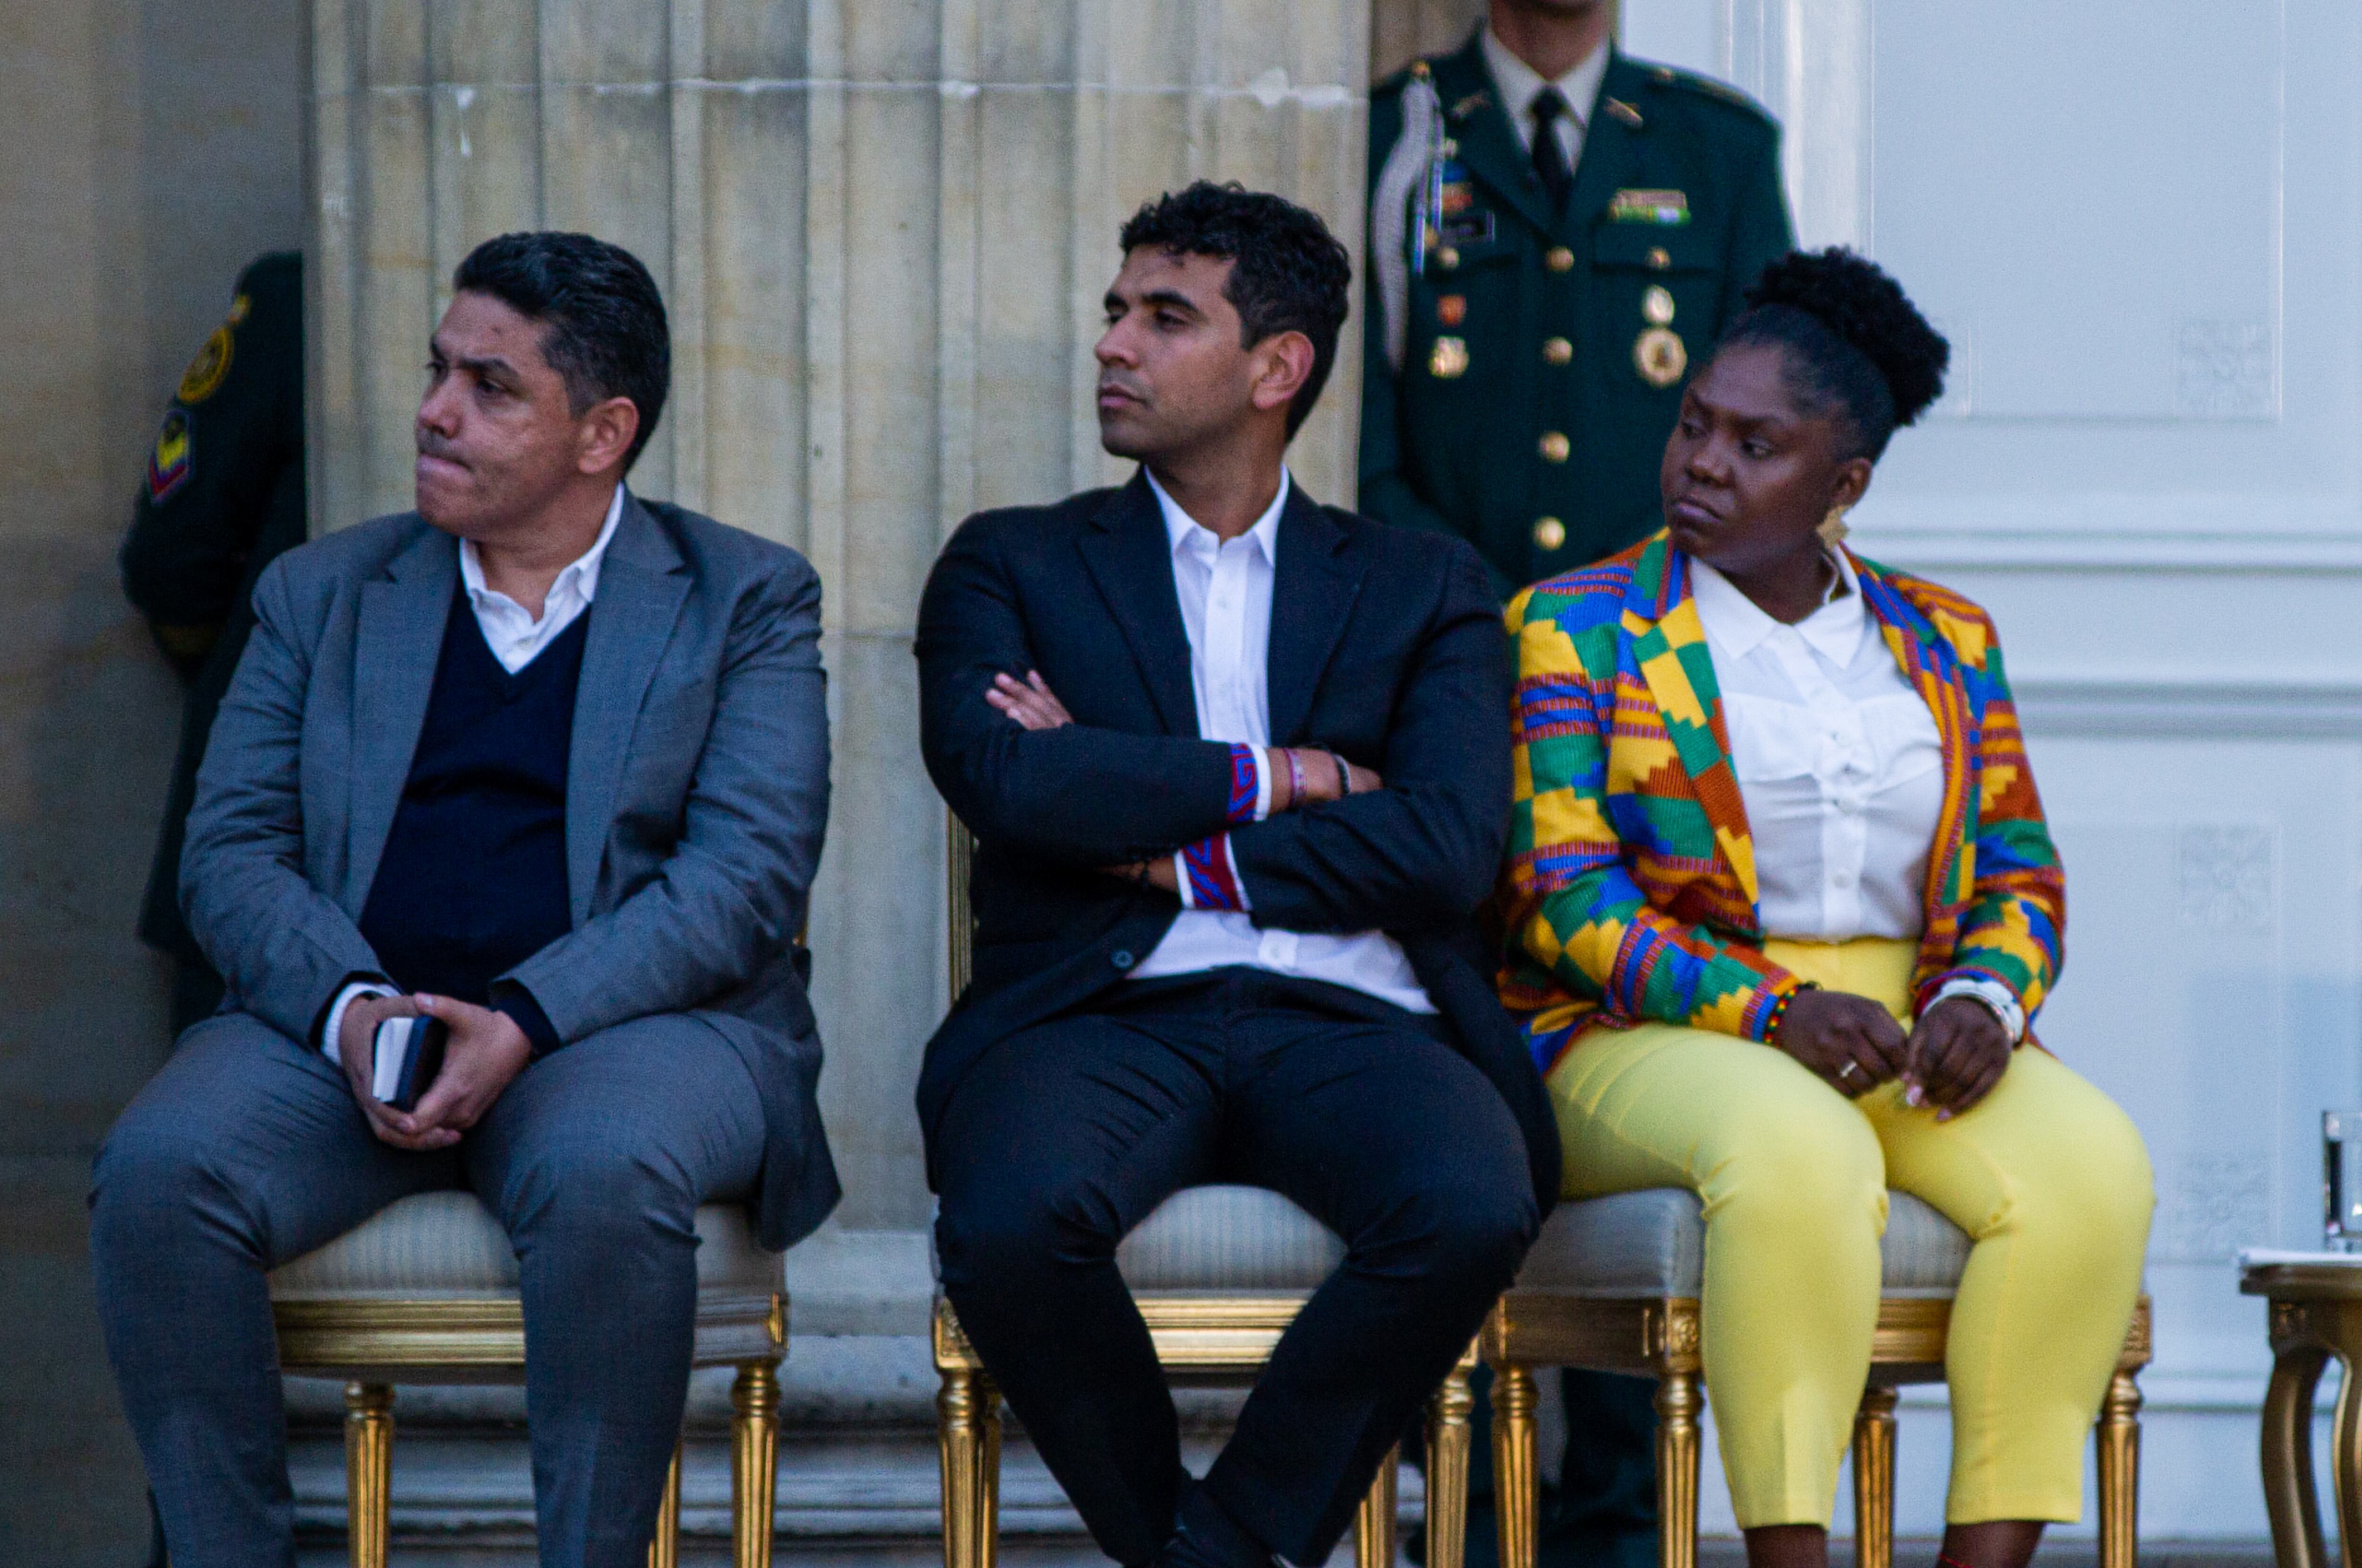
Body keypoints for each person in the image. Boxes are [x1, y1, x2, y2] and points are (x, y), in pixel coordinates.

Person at [88, 231, 840, 1568]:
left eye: (491, 387)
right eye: (440, 369)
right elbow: (233, 850)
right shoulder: (320, 592)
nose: (435, 409)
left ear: (603, 431)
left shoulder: (745, 598)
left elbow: (743, 880)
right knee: (157, 1169)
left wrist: (527, 1017)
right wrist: (353, 1009)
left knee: (606, 1167)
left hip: (634, 1029)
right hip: (348, 1030)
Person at [914, 181, 1558, 1568]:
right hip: (1094, 1009)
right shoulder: (1011, 562)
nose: (1113, 344)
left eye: (1164, 316)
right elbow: (1013, 781)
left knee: (1466, 1198)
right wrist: (1294, 774)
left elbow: (1445, 843)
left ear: (1277, 367)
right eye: (1115, 311)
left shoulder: (1422, 583)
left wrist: (1154, 837)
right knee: (1010, 1220)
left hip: (1353, 1014)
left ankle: (1228, 1544)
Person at [1499, 248, 2154, 1568]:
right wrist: (1771, 1006)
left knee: (2092, 1169)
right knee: (1802, 1153)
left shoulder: (1945, 637)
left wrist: (1984, 996)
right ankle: (1793, 1551)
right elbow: (1559, 896)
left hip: (1899, 1019)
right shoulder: (1578, 627)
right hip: (1639, 1026)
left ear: (1843, 484)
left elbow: (2018, 866)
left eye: (1757, 444)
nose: (1702, 462)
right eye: (1696, 423)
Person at [1361, 0, 1793, 596]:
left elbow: (1765, 422)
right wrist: (1480, 608)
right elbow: (1357, 438)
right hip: (1441, 629)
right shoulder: (1389, 133)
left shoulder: (1720, 148)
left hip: (1656, 627)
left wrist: (1629, 597)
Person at [121, 250, 309, 1035]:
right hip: (263, 846)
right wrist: (244, 683)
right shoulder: (299, 300)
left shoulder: (297, 298)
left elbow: (172, 554)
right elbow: (176, 560)